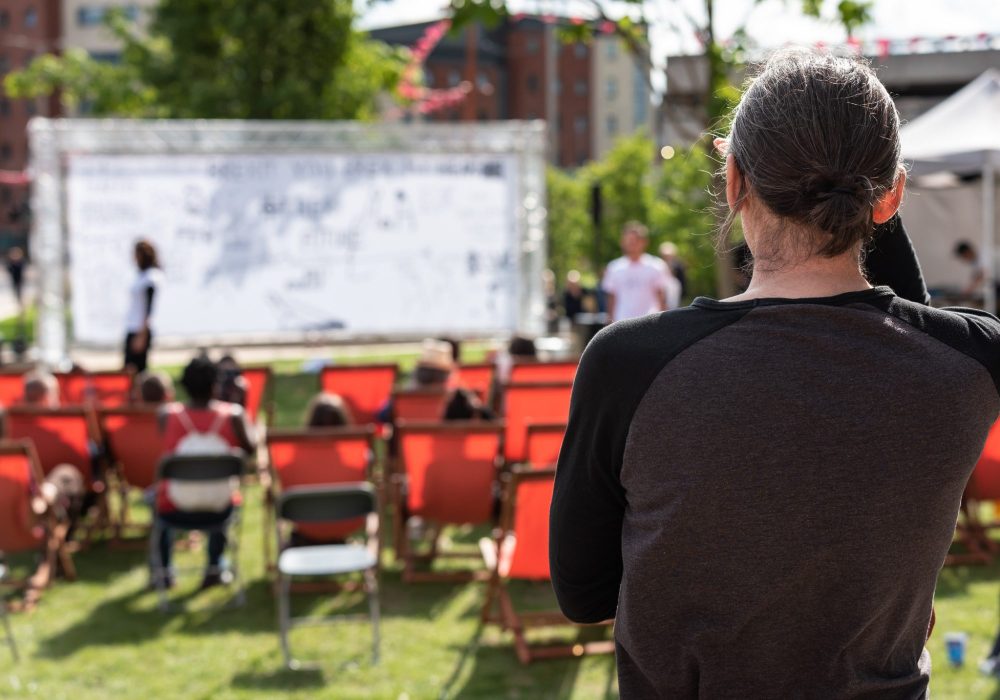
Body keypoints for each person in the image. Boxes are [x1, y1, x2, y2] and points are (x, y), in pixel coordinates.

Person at [550, 49, 1000, 697]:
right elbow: (911, 325)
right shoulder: (971, 364)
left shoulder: (628, 363)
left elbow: (584, 592)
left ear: (733, 181)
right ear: (892, 196)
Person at [153, 356, 255, 589]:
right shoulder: (234, 416)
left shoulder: (167, 416)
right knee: (221, 487)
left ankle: (163, 572)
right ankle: (214, 567)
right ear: (215, 385)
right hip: (220, 509)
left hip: (174, 509)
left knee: (157, 497)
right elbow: (251, 449)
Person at [601, 222, 668, 322]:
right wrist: (609, 323)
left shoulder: (656, 266)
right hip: (621, 323)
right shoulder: (614, 268)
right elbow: (611, 297)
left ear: (644, 242)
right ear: (622, 242)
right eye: (628, 240)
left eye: (636, 240)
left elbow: (661, 296)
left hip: (649, 322)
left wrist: (664, 322)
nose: (632, 243)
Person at [124, 240, 164, 373]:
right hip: (133, 326)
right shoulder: (140, 275)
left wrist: (142, 334)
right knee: (129, 369)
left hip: (140, 329)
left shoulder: (151, 277)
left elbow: (149, 308)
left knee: (138, 370)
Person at [6, 246, 24, 312]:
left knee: (20, 295)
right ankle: (20, 308)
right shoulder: (11, 263)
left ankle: (21, 308)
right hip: (15, 281)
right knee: (17, 295)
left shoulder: (20, 263)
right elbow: (9, 270)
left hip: (20, 282)